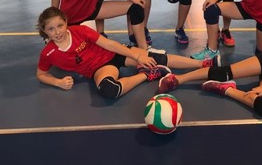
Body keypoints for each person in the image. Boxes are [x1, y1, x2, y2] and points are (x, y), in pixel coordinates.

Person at [36, 7, 221, 100]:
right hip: (100, 69)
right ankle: (147, 74)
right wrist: (58, 82)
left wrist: (137, 56)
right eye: (51, 29)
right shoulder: (48, 53)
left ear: (66, 22)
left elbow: (110, 44)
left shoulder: (79, 31)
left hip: (113, 54)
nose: (57, 32)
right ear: (45, 31)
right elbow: (41, 74)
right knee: (109, 91)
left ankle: (203, 64)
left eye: (60, 25)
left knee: (154, 58)